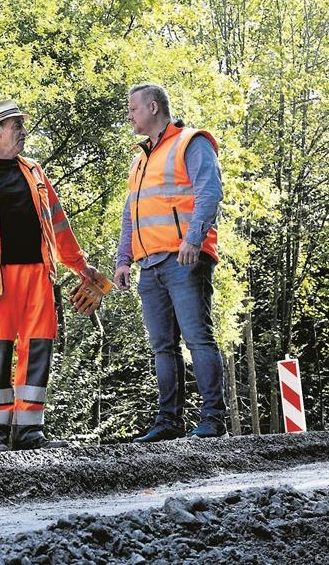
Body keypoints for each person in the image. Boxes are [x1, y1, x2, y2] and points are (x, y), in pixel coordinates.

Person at [0, 99, 98, 452]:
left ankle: (29, 433)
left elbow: (58, 224)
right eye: (16, 125)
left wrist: (80, 265)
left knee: (38, 351)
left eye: (22, 124)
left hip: (37, 276)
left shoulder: (34, 170)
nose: (22, 130)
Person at [114, 84, 227, 441]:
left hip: (184, 260)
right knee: (162, 347)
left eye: (133, 109)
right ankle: (168, 422)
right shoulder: (140, 159)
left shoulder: (191, 142)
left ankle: (212, 419)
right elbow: (130, 213)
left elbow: (210, 191)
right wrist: (123, 260)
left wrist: (193, 240)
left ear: (152, 107)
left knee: (198, 340)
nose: (129, 115)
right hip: (149, 267)